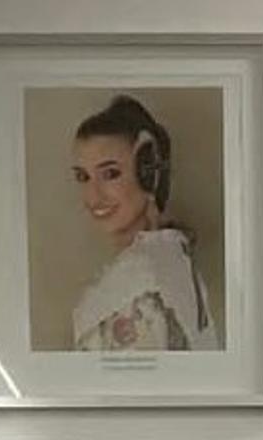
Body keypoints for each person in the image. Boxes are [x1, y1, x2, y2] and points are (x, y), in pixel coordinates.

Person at [70, 95, 218, 353]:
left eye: (111, 174)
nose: (92, 196)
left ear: (149, 173)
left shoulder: (138, 284)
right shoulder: (172, 259)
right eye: (83, 177)